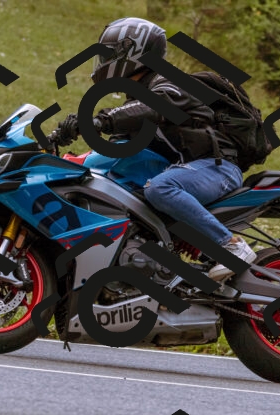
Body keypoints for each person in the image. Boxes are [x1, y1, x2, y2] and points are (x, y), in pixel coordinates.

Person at [53, 17, 256, 281]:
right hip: (186, 170)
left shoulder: (171, 83)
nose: (104, 61)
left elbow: (153, 107)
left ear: (132, 53)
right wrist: (67, 157)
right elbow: (116, 153)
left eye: (109, 54)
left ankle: (231, 247)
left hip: (218, 168)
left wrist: (99, 121)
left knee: (160, 188)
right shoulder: (136, 100)